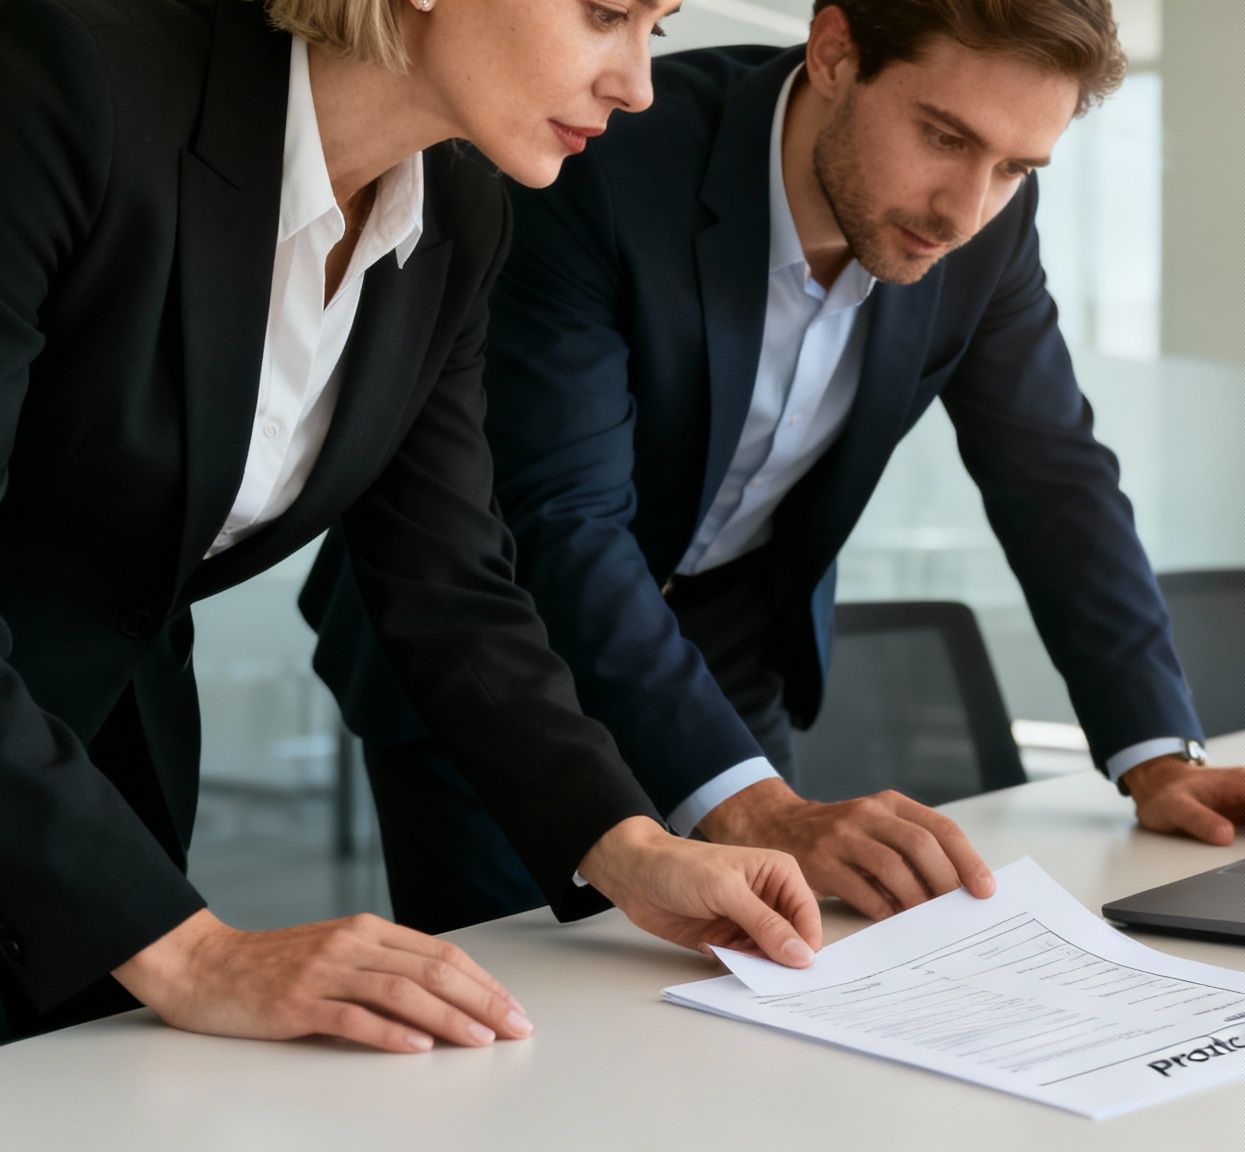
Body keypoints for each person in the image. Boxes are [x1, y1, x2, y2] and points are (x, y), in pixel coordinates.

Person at [304, 0, 1245, 936]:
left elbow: (1054, 474)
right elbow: (561, 521)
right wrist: (753, 805)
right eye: (943, 136)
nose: (964, 210)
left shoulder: (984, 230)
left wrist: (1158, 756)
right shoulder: (607, 164)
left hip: (728, 647)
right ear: (832, 54)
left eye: (1014, 168)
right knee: (537, 1018)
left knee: (771, 986)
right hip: (505, 663)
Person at [0, 0, 822, 1051]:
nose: (636, 85)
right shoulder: (63, 75)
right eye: (606, 13)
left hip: (97, 784)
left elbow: (448, 582)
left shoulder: (459, 212)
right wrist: (194, 953)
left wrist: (628, 845)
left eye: (652, 29)